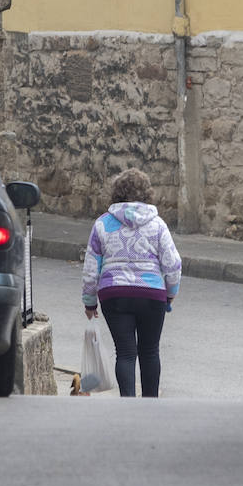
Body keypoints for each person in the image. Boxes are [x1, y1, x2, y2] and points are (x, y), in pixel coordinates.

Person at [81, 168, 182, 397]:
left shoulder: (102, 224)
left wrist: (89, 302)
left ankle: (127, 403)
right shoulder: (157, 225)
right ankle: (150, 404)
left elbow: (90, 268)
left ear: (116, 193)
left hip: (113, 294)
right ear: (147, 193)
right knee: (149, 351)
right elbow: (173, 264)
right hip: (152, 295)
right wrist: (170, 292)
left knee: (125, 353)